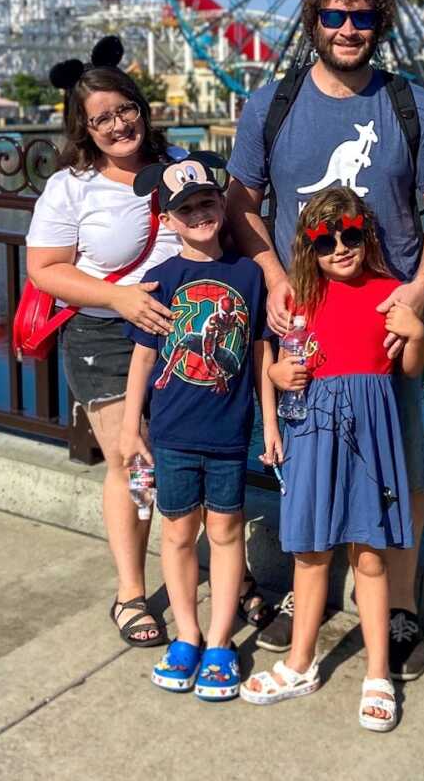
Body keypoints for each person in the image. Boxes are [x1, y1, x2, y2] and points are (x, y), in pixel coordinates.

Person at [226, 0, 424, 678]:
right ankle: (311, 597)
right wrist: (271, 276)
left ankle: (397, 607)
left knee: (402, 467)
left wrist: (417, 292)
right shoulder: (271, 104)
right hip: (306, 319)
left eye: (361, 19)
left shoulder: (412, 103)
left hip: (387, 318)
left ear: (379, 25)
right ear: (313, 23)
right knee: (307, 461)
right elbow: (241, 203)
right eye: (333, 17)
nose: (348, 30)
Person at [241, 187, 424, 731]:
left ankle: (376, 674)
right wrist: (274, 383)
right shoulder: (298, 296)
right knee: (310, 552)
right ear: (309, 248)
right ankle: (300, 663)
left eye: (350, 235)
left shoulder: (392, 294)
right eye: (326, 241)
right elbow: (270, 359)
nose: (340, 248)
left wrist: (416, 335)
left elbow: (410, 367)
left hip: (371, 436)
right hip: (311, 433)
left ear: (365, 235)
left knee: (370, 558)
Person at [26, 36, 179, 648]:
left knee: (191, 454)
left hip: (182, 332)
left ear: (141, 107)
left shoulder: (180, 165)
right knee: (132, 461)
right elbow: (45, 269)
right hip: (106, 335)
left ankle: (228, 577)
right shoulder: (71, 187)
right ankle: (131, 592)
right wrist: (118, 296)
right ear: (84, 130)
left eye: (126, 110)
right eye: (102, 119)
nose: (119, 125)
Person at [119, 152, 279, 700]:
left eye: (207, 203)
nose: (199, 215)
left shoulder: (249, 275)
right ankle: (186, 634)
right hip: (172, 432)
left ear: (222, 206)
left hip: (229, 434)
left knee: (227, 532)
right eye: (185, 209)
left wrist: (271, 422)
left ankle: (218, 641)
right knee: (179, 532)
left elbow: (260, 355)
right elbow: (143, 358)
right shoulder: (159, 280)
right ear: (168, 220)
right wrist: (129, 427)